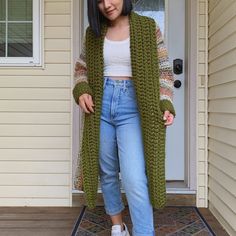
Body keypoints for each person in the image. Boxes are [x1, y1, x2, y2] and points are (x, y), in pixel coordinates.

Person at [73, 0, 176, 235]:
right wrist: (82, 91)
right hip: (100, 106)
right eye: (99, 1)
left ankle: (144, 232)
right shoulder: (93, 33)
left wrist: (166, 101)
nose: (107, 4)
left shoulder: (147, 28)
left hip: (134, 107)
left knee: (134, 177)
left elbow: (164, 70)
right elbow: (81, 70)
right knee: (107, 172)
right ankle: (118, 226)